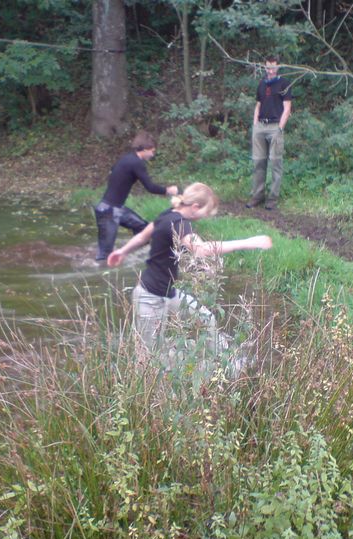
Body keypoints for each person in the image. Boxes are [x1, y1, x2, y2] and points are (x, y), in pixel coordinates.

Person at [108, 182, 272, 350]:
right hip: (150, 298)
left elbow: (143, 237)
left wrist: (122, 251)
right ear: (195, 207)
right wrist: (248, 242)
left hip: (169, 292)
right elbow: (201, 250)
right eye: (206, 212)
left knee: (207, 319)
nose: (206, 216)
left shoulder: (168, 215)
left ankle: (225, 363)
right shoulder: (179, 223)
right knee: (149, 354)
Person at [94, 131, 179, 261]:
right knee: (104, 258)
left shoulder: (127, 158)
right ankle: (96, 274)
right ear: (144, 149)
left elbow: (113, 173)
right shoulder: (137, 163)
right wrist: (169, 190)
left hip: (116, 208)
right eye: (152, 151)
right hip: (109, 211)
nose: (152, 154)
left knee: (143, 228)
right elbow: (150, 187)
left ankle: (136, 256)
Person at [247, 56, 293, 210]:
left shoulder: (284, 84)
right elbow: (258, 105)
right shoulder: (262, 84)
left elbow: (287, 108)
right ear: (264, 67)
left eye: (273, 67)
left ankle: (272, 199)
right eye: (268, 67)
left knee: (275, 163)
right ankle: (257, 196)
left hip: (275, 128)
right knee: (259, 163)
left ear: (278, 67)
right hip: (260, 126)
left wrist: (280, 127)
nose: (271, 70)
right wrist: (255, 124)